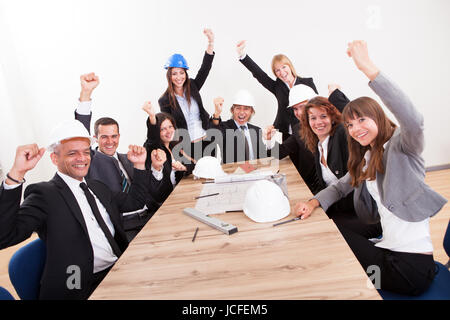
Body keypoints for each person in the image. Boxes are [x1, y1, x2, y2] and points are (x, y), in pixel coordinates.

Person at [294, 41, 447, 295]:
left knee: (334, 245)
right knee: (332, 236)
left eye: (362, 120)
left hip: (410, 268)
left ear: (377, 117)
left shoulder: (402, 147)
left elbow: (414, 120)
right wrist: (312, 203)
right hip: (389, 249)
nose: (355, 129)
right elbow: (342, 187)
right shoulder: (367, 157)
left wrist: (369, 70)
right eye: (350, 124)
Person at [0, 120, 150, 299]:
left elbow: (135, 202)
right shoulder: (44, 194)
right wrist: (16, 174)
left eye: (86, 152)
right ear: (55, 158)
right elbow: (4, 236)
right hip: (79, 285)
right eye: (72, 153)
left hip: (117, 269)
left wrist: (139, 165)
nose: (82, 158)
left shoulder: (98, 188)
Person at [74, 72, 157, 241]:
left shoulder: (127, 158)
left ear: (119, 136)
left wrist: (147, 166)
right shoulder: (91, 159)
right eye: (104, 137)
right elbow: (80, 133)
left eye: (114, 136)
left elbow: (146, 190)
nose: (110, 142)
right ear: (95, 138)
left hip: (149, 217)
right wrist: (86, 94)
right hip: (124, 226)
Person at [236, 40, 318, 141]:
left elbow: (317, 106)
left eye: (284, 67)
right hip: (286, 133)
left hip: (306, 131)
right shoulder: (278, 87)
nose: (282, 72)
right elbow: (260, 75)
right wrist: (243, 55)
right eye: (277, 70)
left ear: (290, 66)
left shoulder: (307, 82)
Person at [159, 29, 216, 162]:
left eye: (181, 72)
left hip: (206, 141)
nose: (178, 77)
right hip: (186, 147)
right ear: (169, 76)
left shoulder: (193, 86)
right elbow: (170, 128)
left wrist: (210, 43)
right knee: (191, 180)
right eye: (174, 73)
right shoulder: (164, 100)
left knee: (211, 178)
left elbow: (205, 69)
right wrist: (181, 151)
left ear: (185, 73)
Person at [299, 89, 356, 218]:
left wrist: (336, 95)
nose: (318, 122)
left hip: (354, 210)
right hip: (334, 205)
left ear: (332, 118)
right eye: (313, 118)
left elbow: (354, 118)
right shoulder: (319, 146)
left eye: (323, 116)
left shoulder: (341, 133)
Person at [263, 84, 321, 194]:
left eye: (303, 107)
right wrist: (269, 140)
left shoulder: (332, 127)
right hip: (310, 189)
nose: (299, 113)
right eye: (295, 109)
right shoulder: (299, 129)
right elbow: (280, 152)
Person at [142, 101, 194, 204]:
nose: (169, 131)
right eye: (163, 129)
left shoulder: (174, 147)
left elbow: (193, 165)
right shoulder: (154, 148)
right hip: (163, 202)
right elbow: (152, 138)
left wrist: (183, 168)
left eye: (170, 127)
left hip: (178, 196)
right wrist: (152, 116)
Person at [210, 90, 268, 163]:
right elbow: (213, 134)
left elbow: (263, 156)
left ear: (251, 112)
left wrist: (269, 141)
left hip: (254, 171)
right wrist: (217, 113)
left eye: (246, 108)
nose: (241, 112)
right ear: (232, 110)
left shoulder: (256, 130)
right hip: (232, 172)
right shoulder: (225, 128)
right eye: (238, 108)